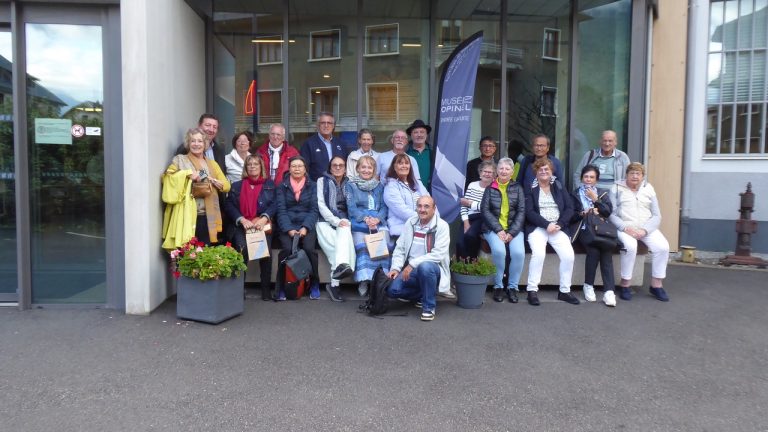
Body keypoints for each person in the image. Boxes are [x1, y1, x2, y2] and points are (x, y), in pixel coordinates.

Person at [609, 162, 670, 302]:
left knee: (663, 247)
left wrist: (645, 230)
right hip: (625, 227)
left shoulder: (649, 188)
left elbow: (656, 215)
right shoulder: (617, 188)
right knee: (630, 247)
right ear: (626, 175)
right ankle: (625, 284)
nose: (635, 176)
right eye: (632, 173)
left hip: (646, 227)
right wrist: (625, 227)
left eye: (638, 174)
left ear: (643, 176)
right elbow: (611, 214)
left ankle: (656, 285)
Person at [524, 158, 579, 306]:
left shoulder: (559, 186)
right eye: (540, 169)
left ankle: (565, 291)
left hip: (557, 227)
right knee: (539, 254)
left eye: (546, 169)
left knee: (568, 255)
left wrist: (560, 224)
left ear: (551, 171)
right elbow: (528, 212)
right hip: (537, 228)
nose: (543, 172)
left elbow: (569, 208)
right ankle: (532, 290)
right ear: (536, 172)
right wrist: (546, 224)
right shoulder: (530, 187)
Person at [164, 127, 230, 246]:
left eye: (200, 141)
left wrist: (217, 183)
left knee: (204, 253)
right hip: (187, 215)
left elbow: (226, 186)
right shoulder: (180, 160)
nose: (196, 144)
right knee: (186, 252)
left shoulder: (212, 163)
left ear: (205, 144)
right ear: (188, 144)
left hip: (207, 216)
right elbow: (167, 177)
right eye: (193, 141)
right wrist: (187, 174)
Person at [387, 196, 450, 322]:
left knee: (425, 267)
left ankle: (429, 307)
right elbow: (400, 248)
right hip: (413, 271)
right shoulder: (411, 222)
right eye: (419, 206)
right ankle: (423, 294)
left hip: (432, 269)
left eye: (426, 206)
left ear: (434, 209)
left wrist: (412, 265)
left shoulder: (442, 226)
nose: (422, 209)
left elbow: (438, 254)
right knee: (392, 291)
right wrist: (395, 268)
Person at [223, 154, 276, 301]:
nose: (252, 166)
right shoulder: (236, 186)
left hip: (262, 226)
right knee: (242, 250)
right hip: (242, 226)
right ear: (246, 168)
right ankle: (239, 289)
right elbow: (229, 205)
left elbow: (275, 204)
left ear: (261, 167)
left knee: (265, 254)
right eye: (249, 164)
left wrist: (264, 217)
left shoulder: (270, 185)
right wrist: (241, 219)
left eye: (256, 164)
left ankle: (265, 290)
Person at [480, 158, 525, 303]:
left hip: (513, 229)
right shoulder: (490, 188)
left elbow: (521, 211)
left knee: (518, 253)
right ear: (497, 171)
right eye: (501, 168)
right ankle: (498, 286)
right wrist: (499, 230)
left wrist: (511, 232)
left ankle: (512, 287)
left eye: (507, 169)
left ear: (512, 172)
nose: (504, 171)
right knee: (499, 251)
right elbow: (485, 211)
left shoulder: (518, 188)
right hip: (493, 229)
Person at [275, 156, 320, 300]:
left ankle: (314, 284)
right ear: (289, 168)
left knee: (309, 249)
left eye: (300, 166)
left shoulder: (312, 186)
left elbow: (314, 210)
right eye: (294, 166)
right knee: (287, 250)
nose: (297, 169)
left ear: (305, 169)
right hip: (287, 226)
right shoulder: (282, 186)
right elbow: (281, 210)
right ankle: (281, 287)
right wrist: (289, 229)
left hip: (306, 225)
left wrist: (305, 228)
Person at [571, 164, 617, 307]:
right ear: (581, 178)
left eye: (592, 177)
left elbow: (608, 212)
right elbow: (570, 214)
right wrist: (583, 213)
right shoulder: (575, 193)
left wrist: (595, 200)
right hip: (584, 228)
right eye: (586, 176)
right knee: (594, 248)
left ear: (596, 180)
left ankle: (609, 291)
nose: (588, 180)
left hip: (601, 229)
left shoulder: (602, 193)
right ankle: (588, 285)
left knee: (606, 250)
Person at [345, 156, 390, 297]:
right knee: (363, 245)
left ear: (373, 170)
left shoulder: (379, 186)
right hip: (360, 223)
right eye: (363, 167)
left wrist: (377, 219)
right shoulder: (350, 185)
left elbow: (384, 207)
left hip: (378, 222)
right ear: (357, 169)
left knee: (385, 243)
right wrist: (365, 218)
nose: (366, 170)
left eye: (369, 167)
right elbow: (351, 207)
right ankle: (364, 279)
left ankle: (380, 280)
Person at [316, 156, 356, 302]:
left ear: (345, 168)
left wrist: (342, 222)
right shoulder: (322, 181)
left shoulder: (349, 183)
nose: (338, 167)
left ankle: (334, 284)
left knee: (344, 228)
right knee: (338, 248)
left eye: (341, 165)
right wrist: (335, 221)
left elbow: (352, 206)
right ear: (330, 168)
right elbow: (321, 205)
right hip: (324, 221)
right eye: (334, 165)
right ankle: (338, 278)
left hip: (344, 221)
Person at [383, 154, 429, 244]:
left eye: (407, 163)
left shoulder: (418, 183)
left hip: (423, 228)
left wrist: (434, 219)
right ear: (394, 167)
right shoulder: (391, 186)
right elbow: (401, 210)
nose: (404, 166)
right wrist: (424, 219)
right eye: (400, 163)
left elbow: (430, 203)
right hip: (403, 231)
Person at [457, 160, 495, 260]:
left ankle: (472, 262)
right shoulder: (472, 185)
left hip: (482, 218)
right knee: (459, 243)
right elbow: (463, 205)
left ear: (494, 175)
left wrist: (470, 203)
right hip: (468, 217)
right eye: (484, 171)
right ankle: (460, 267)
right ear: (480, 172)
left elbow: (489, 208)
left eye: (489, 172)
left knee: (470, 235)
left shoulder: (494, 188)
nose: (486, 174)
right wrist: (466, 222)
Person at [300, 112, 349, 181]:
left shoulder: (341, 143)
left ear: (333, 126)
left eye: (329, 123)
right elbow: (304, 169)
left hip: (338, 186)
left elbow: (346, 166)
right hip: (316, 187)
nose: (326, 125)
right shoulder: (308, 144)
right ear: (318, 125)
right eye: (323, 123)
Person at [406, 119, 433, 190]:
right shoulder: (405, 153)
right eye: (415, 132)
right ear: (411, 135)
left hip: (430, 194)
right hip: (411, 192)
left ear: (426, 134)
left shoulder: (433, 153)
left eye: (422, 132)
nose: (419, 135)